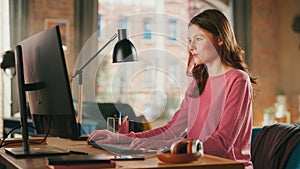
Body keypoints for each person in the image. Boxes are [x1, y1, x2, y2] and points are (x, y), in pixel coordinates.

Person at [88, 9, 257, 169]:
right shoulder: (199, 82)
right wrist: (121, 138)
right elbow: (171, 130)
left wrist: (168, 146)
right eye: (190, 40)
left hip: (227, 166)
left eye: (199, 39)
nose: (191, 47)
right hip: (196, 164)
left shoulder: (238, 80)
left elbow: (222, 143)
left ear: (220, 39)